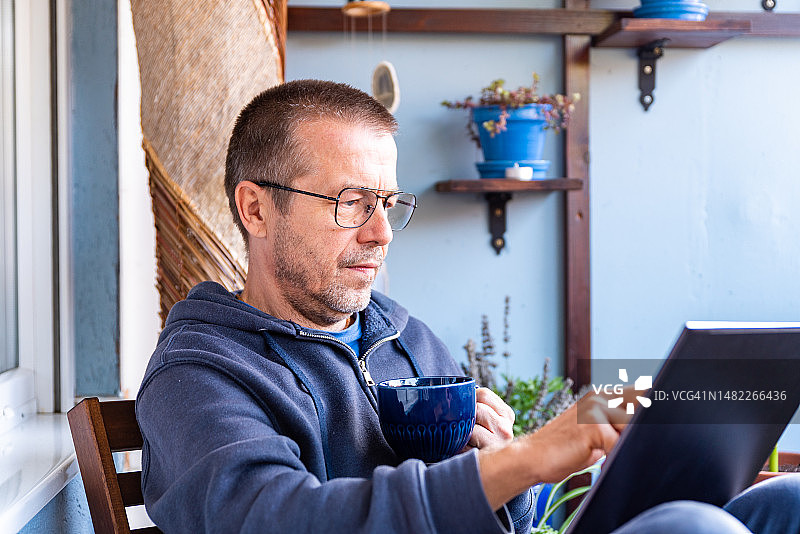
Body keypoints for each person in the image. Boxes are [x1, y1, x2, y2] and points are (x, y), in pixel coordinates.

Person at [136, 79, 800, 534]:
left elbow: (498, 510)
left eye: (388, 204)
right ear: (256, 208)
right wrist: (521, 461)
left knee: (784, 500)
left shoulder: (404, 340)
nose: (379, 232)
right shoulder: (200, 375)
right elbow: (273, 519)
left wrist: (516, 467)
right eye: (350, 202)